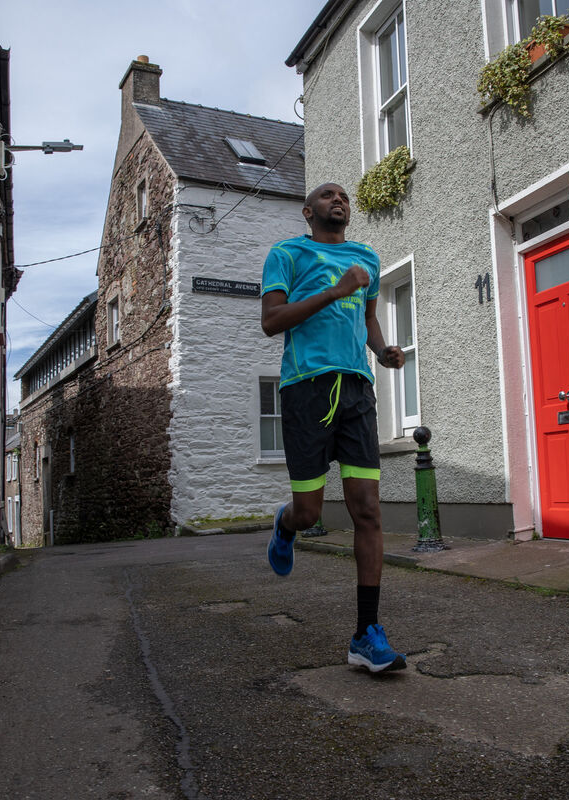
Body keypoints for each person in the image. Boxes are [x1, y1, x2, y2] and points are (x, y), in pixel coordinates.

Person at [259, 182, 407, 673]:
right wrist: (335, 290)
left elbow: (368, 317)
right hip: (306, 389)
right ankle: (286, 524)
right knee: (309, 512)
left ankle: (366, 633)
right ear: (308, 211)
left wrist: (381, 351)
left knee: (367, 510)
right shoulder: (287, 254)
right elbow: (271, 321)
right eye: (327, 195)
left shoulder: (367, 258)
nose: (338, 200)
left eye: (343, 195)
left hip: (357, 390)